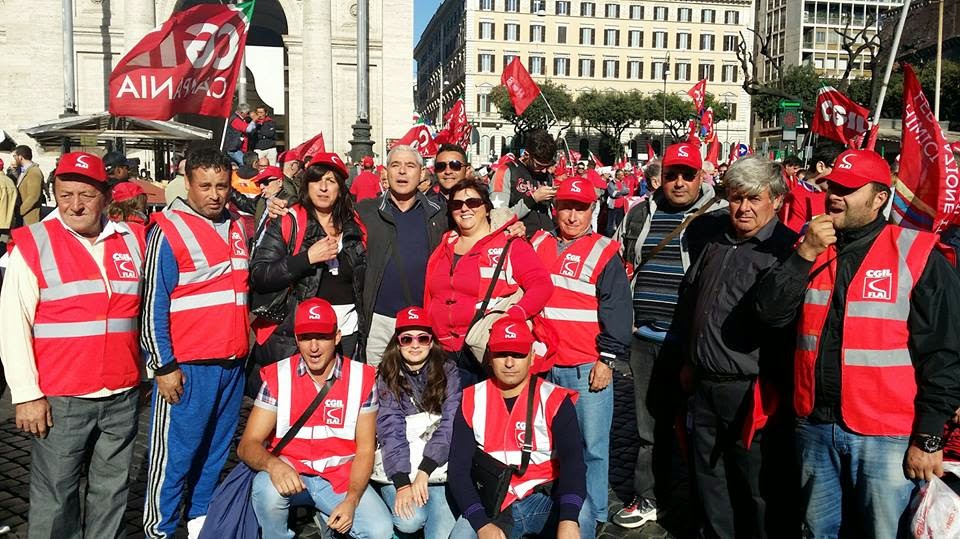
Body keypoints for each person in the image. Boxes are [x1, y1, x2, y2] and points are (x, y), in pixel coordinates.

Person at [755, 149, 960, 537]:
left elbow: (945, 353)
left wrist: (929, 435)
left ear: (880, 197)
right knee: (818, 531)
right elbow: (769, 314)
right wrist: (804, 255)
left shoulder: (916, 253)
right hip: (816, 424)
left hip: (887, 433)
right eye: (833, 185)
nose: (835, 195)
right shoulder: (811, 244)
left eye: (849, 189)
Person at [0, 152, 145, 538]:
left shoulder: (130, 240)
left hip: (121, 394)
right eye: (65, 196)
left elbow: (142, 312)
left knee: (111, 494)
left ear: (105, 196)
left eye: (85, 194)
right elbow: (13, 323)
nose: (75, 205)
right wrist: (27, 394)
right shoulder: (33, 244)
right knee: (56, 498)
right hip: (61, 397)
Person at [673, 156, 797, 538]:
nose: (742, 208)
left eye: (753, 199)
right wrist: (689, 359)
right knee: (710, 479)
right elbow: (692, 301)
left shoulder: (788, 249)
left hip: (752, 389)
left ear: (775, 200)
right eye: (736, 198)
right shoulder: (717, 241)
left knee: (756, 485)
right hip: (705, 382)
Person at [611, 142, 726, 529]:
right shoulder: (641, 213)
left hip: (694, 343)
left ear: (701, 176)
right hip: (645, 338)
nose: (679, 182)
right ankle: (648, 496)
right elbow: (624, 261)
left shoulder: (719, 217)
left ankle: (700, 505)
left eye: (688, 174)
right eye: (673, 174)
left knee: (699, 429)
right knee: (648, 426)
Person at [141, 148, 250, 538]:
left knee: (215, 451)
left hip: (231, 363)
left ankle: (200, 520)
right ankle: (161, 528)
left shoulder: (237, 223)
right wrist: (163, 365)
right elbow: (153, 303)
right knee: (175, 456)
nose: (215, 195)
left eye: (222, 186)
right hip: (187, 367)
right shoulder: (167, 229)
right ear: (187, 184)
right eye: (205, 186)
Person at [238, 298, 393, 539]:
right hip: (291, 473)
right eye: (306, 337)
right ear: (297, 339)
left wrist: (352, 501)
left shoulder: (362, 378)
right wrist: (273, 465)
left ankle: (323, 516)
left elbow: (365, 450)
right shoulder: (279, 376)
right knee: (266, 491)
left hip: (339, 478)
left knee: (380, 531)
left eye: (322, 337)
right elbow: (248, 444)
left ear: (337, 337)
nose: (313, 347)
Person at [530, 178, 632, 535]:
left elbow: (618, 309)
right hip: (545, 366)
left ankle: (595, 515)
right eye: (566, 207)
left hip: (587, 367)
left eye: (581, 208)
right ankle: (562, 508)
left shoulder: (604, 250)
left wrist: (607, 359)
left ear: (594, 210)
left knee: (593, 447)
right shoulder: (538, 242)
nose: (572, 216)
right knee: (551, 442)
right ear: (554, 209)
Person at [448, 318, 585, 539]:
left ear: (532, 356)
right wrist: (482, 524)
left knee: (581, 519)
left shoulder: (555, 400)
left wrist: (569, 519)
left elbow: (574, 464)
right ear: (490, 357)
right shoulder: (470, 399)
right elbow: (457, 471)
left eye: (518, 354)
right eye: (502, 354)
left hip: (545, 498)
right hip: (494, 502)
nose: (509, 362)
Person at [249, 152, 366, 392]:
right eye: (316, 180)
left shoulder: (355, 224)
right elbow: (259, 275)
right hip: (301, 335)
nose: (323, 188)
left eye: (331, 181)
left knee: (339, 406)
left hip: (346, 333)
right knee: (296, 407)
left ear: (341, 189)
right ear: (306, 185)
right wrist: (306, 259)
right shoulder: (290, 220)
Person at [423, 179, 553, 387]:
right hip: (442, 352)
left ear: (486, 207)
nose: (464, 208)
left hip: (485, 351)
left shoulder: (509, 242)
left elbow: (541, 284)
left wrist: (516, 314)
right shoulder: (445, 242)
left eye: (473, 202)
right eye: (457, 205)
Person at [354, 145, 448, 365]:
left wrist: (509, 225)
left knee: (418, 391)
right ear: (385, 172)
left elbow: (478, 225)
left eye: (410, 165)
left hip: (421, 323)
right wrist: (282, 207)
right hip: (378, 321)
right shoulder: (365, 211)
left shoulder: (439, 213)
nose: (402, 171)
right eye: (395, 165)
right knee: (375, 391)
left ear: (422, 173)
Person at [375, 306, 460, 538]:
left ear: (431, 342)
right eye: (407, 338)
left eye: (422, 338)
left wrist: (425, 470)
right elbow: (390, 429)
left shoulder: (449, 372)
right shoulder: (386, 375)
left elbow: (451, 422)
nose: (415, 345)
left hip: (438, 468)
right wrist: (402, 483)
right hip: (400, 467)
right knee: (410, 521)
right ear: (398, 342)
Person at [489, 129, 559, 236]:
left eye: (547, 166)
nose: (544, 171)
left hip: (548, 239)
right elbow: (498, 218)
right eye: (539, 165)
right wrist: (533, 199)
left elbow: (548, 211)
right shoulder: (506, 172)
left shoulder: (547, 176)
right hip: (521, 239)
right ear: (526, 154)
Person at [779, 153, 826, 234]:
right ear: (787, 166)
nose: (796, 171)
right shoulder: (781, 178)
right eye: (795, 168)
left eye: (797, 169)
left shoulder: (792, 177)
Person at [11, 145, 43, 225]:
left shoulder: (34, 172)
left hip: (29, 218)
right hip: (23, 216)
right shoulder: (25, 170)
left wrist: (20, 211)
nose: (14, 159)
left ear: (20, 157)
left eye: (15, 156)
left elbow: (33, 196)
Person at [606, 169, 630, 236]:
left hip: (621, 206)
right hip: (613, 206)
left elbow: (628, 190)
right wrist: (622, 192)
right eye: (621, 175)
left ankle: (618, 236)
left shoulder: (623, 182)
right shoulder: (611, 183)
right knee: (610, 223)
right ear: (617, 175)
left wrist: (619, 192)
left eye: (623, 175)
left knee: (619, 223)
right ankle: (609, 237)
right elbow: (613, 194)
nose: (623, 176)